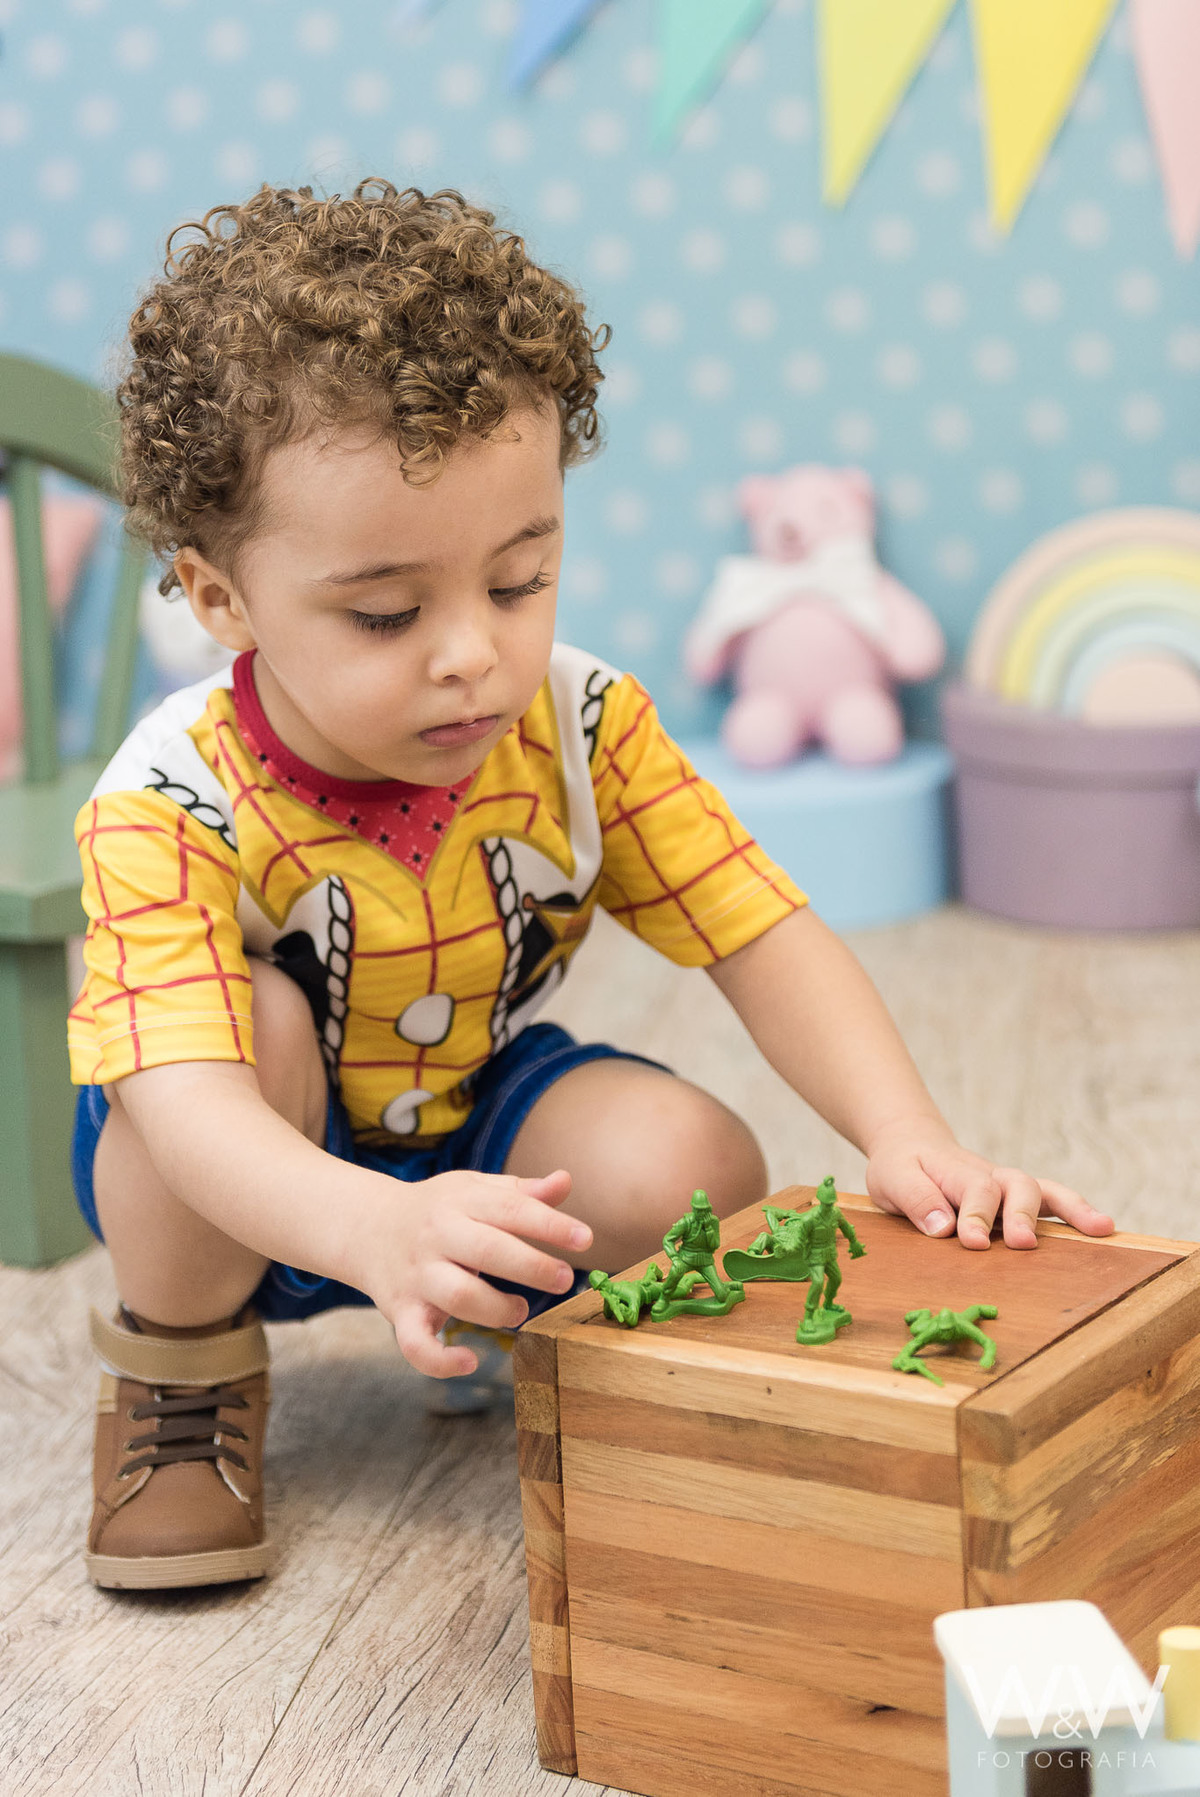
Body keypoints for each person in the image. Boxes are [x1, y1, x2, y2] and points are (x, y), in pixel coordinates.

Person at [69, 179, 1113, 1592]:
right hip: (240, 1156)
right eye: (386, 612)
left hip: (471, 1109)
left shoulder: (579, 723)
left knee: (696, 1168)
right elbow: (181, 1107)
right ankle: (182, 1384)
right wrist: (373, 1226)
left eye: (519, 580)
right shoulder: (166, 796)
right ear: (219, 596)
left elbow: (759, 928)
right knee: (236, 1041)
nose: (469, 656)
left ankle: (545, 1341)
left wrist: (903, 1128)